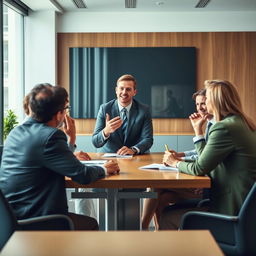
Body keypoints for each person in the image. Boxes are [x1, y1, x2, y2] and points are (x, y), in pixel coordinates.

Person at [0, 83, 120, 230]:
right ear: (58, 114)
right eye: (66, 109)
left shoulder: (15, 132)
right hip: (38, 221)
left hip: (10, 219)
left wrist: (71, 140)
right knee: (91, 224)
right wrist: (105, 169)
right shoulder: (51, 136)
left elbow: (49, 160)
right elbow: (83, 175)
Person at [160, 79, 256, 230]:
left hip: (231, 213)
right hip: (246, 211)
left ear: (216, 102)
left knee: (168, 217)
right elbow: (208, 159)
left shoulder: (224, 128)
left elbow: (199, 168)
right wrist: (198, 131)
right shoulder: (242, 122)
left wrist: (174, 162)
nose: (205, 104)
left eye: (207, 99)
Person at [141, 89, 213, 230]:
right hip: (204, 177)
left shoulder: (218, 126)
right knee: (162, 198)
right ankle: (157, 231)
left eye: (203, 103)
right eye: (197, 104)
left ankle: (142, 227)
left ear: (212, 103)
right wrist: (180, 155)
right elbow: (202, 152)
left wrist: (177, 161)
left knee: (156, 185)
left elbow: (206, 158)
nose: (200, 108)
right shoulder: (210, 123)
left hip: (207, 184)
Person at [92, 74, 153, 155]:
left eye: (128, 89)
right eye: (121, 88)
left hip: (134, 157)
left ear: (134, 92)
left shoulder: (144, 110)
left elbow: (148, 139)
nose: (124, 92)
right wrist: (106, 131)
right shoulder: (105, 109)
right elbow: (95, 142)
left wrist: (133, 150)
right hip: (110, 157)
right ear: (116, 90)